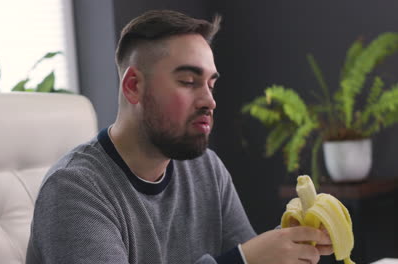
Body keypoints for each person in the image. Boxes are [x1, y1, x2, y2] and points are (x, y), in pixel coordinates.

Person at [26, 10, 333, 264]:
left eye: (210, 84)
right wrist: (241, 260)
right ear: (133, 86)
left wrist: (292, 246)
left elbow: (252, 255)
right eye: (188, 81)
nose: (209, 101)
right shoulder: (73, 189)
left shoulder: (206, 169)